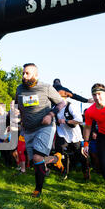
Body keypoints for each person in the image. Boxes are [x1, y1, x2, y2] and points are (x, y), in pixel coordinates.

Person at [15, 63, 66, 198]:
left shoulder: (46, 88)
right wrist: (18, 118)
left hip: (45, 126)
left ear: (36, 75)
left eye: (27, 73)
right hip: (28, 129)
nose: (24, 76)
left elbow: (62, 103)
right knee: (37, 161)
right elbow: (18, 106)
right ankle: (56, 158)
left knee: (38, 157)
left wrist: (50, 115)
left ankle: (38, 190)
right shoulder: (19, 89)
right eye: (23, 73)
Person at [55, 96, 90, 180]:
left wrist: (66, 121)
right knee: (63, 154)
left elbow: (79, 120)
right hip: (62, 134)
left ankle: (86, 171)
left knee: (79, 155)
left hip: (75, 136)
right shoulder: (54, 108)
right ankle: (64, 173)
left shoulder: (70, 106)